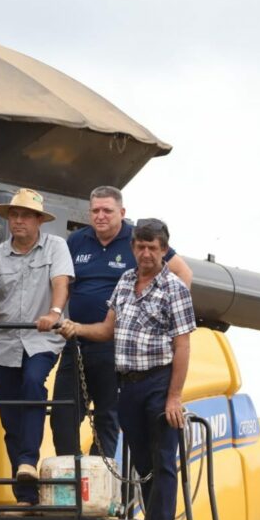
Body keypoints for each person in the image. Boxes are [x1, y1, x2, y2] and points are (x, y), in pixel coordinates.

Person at [58, 220, 195, 520]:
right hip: (128, 384)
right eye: (140, 247)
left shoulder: (174, 289)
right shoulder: (124, 281)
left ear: (164, 250)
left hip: (159, 382)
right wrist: (76, 328)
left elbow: (183, 346)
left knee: (163, 458)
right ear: (133, 248)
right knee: (143, 462)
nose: (146, 253)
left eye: (153, 248)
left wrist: (174, 397)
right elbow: (108, 330)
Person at [51, 186, 193, 459]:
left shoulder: (138, 239)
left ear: (122, 212)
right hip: (77, 340)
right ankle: (70, 472)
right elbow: (63, 282)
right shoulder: (77, 240)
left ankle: (99, 472)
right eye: (95, 210)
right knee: (62, 413)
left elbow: (183, 273)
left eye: (107, 210)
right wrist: (56, 312)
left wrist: (162, 318)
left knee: (107, 416)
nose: (100, 216)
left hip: (117, 345)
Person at [0, 188, 74, 509]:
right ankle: (25, 496)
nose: (18, 221)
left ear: (39, 220)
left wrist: (54, 314)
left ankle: (28, 460)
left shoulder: (56, 246)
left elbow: (61, 283)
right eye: (14, 215)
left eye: (26, 216)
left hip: (42, 339)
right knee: (10, 419)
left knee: (33, 382)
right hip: (3, 344)